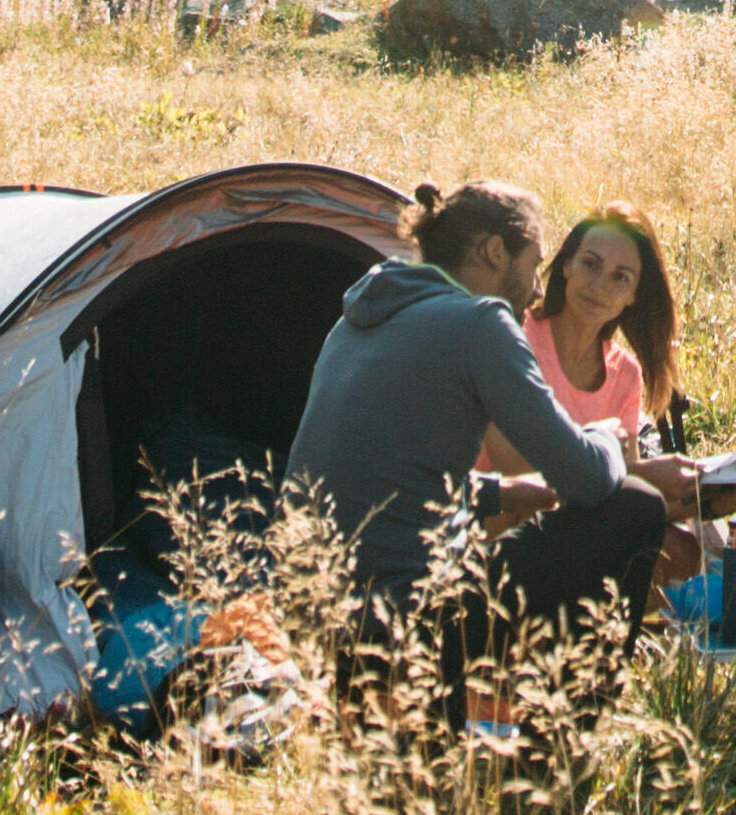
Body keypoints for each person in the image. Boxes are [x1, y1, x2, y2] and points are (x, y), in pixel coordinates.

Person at [286, 180, 704, 689]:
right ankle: (564, 719)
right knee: (636, 506)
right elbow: (590, 479)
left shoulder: (361, 317)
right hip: (408, 619)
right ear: (494, 252)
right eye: (534, 264)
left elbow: (386, 479)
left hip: (316, 619)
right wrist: (604, 439)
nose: (537, 289)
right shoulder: (480, 322)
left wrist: (500, 494)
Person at [485, 210, 686, 560]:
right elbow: (523, 477)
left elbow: (624, 491)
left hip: (571, 528)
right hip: (494, 533)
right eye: (590, 264)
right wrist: (641, 473)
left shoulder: (625, 374)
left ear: (634, 295)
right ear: (567, 265)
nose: (598, 286)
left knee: (681, 550)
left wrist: (694, 494)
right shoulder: (513, 339)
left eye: (620, 278)